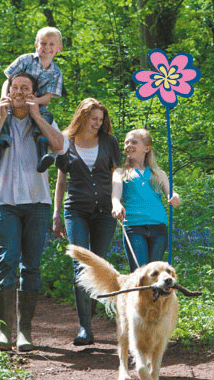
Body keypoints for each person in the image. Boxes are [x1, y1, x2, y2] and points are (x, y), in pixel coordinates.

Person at [0, 73, 68, 351]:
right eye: (15, 87)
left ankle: (25, 331)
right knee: (7, 261)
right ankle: (5, 333)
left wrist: (37, 115)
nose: (19, 92)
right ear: (8, 91)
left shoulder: (46, 119)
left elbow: (60, 147)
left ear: (34, 93)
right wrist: (2, 118)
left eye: (25, 88)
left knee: (32, 266)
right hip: (5, 202)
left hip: (38, 202)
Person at [52, 98, 121, 346]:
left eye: (101, 119)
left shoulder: (109, 142)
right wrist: (56, 213)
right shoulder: (65, 142)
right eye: (94, 119)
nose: (98, 123)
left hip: (105, 211)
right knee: (81, 265)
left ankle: (89, 316)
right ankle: (85, 328)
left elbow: (117, 175)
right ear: (82, 117)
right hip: (75, 210)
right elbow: (61, 181)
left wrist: (117, 202)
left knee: (98, 267)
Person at [0, 27, 64, 175]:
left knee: (45, 119)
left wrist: (35, 102)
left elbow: (48, 96)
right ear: (36, 44)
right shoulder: (26, 60)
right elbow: (8, 80)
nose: (47, 48)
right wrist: (5, 97)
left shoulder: (56, 72)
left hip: (37, 104)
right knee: (2, 121)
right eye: (43, 43)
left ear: (59, 48)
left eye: (51, 44)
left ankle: (43, 156)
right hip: (15, 101)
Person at [111, 129, 181, 272]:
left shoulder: (158, 173)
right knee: (141, 274)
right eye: (126, 142)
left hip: (158, 226)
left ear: (146, 148)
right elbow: (115, 196)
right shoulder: (120, 173)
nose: (128, 145)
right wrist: (116, 205)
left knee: (155, 275)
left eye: (134, 142)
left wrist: (175, 197)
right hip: (134, 226)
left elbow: (171, 192)